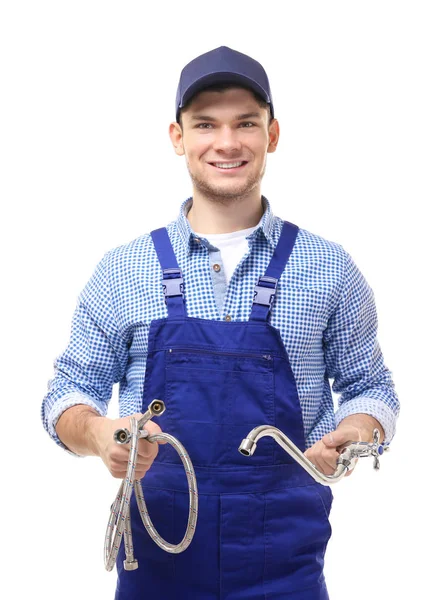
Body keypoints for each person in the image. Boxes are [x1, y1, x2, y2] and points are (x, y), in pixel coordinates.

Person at [41, 45, 399, 599]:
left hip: (286, 570)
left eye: (246, 124)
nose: (227, 143)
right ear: (177, 136)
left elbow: (369, 388)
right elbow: (67, 391)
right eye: (205, 124)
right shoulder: (123, 270)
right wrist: (97, 432)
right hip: (157, 565)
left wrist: (354, 434)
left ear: (272, 135)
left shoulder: (329, 268)